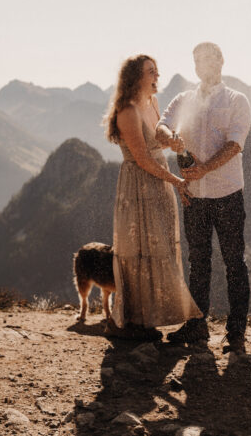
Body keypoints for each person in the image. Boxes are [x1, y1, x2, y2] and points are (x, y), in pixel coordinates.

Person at [156, 42, 251, 354]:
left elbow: (235, 144)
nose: (202, 65)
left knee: (234, 262)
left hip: (227, 194)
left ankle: (236, 333)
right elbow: (161, 126)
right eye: (197, 60)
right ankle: (197, 327)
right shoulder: (183, 99)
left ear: (221, 61)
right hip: (195, 196)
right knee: (198, 261)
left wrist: (204, 169)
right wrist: (170, 138)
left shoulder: (237, 100)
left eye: (208, 59)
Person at [103, 54, 202, 340]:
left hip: (159, 183)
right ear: (136, 77)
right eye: (151, 72)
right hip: (138, 187)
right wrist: (176, 181)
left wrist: (173, 141)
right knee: (139, 250)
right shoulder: (128, 110)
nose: (157, 76)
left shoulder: (152, 103)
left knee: (159, 250)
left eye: (157, 71)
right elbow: (143, 159)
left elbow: (156, 144)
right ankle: (135, 322)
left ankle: (153, 317)